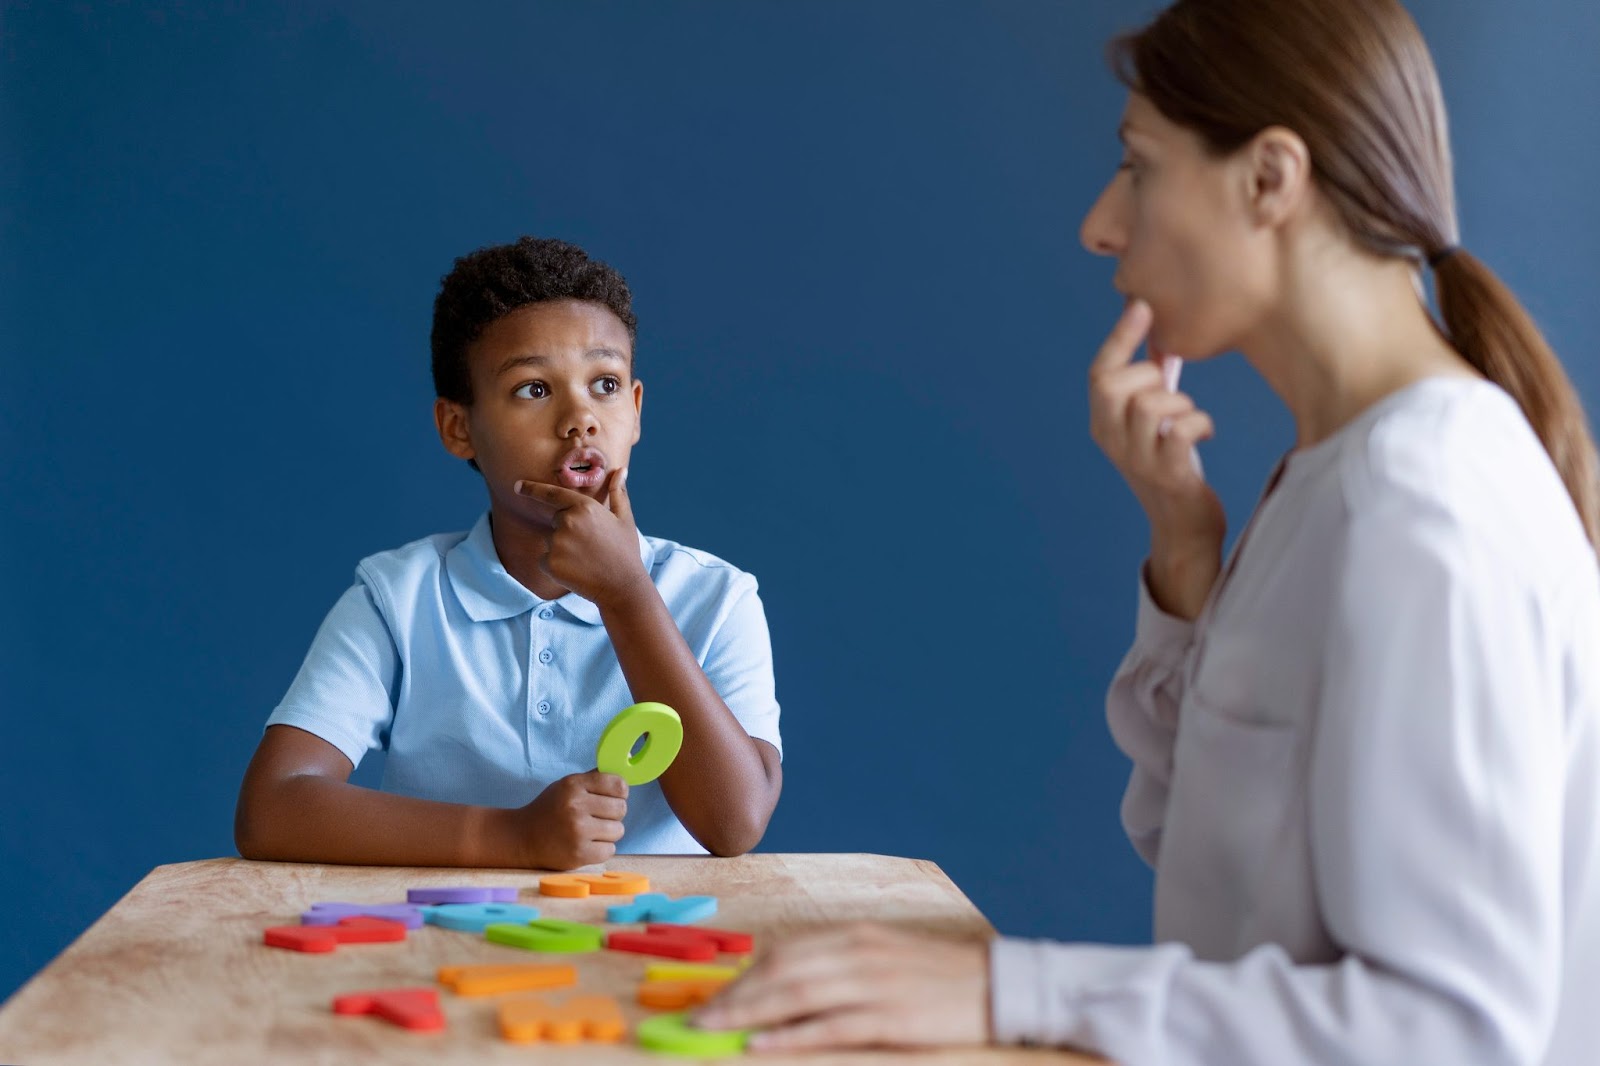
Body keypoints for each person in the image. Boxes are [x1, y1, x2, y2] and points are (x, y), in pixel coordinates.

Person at [693, 1, 1600, 1061]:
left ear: (1269, 178)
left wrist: (1007, 987)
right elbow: (1205, 868)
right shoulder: (1330, 476)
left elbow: (1446, 1028)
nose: (1100, 223)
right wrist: (1183, 553)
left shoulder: (1420, 503)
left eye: (1137, 165)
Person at [234, 237, 783, 870]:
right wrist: (514, 837)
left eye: (603, 383)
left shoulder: (717, 597)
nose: (580, 418)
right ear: (458, 428)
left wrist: (627, 594)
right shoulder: (399, 599)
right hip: (447, 947)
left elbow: (735, 823)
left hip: (652, 952)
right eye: (532, 390)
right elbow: (272, 807)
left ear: (634, 412)